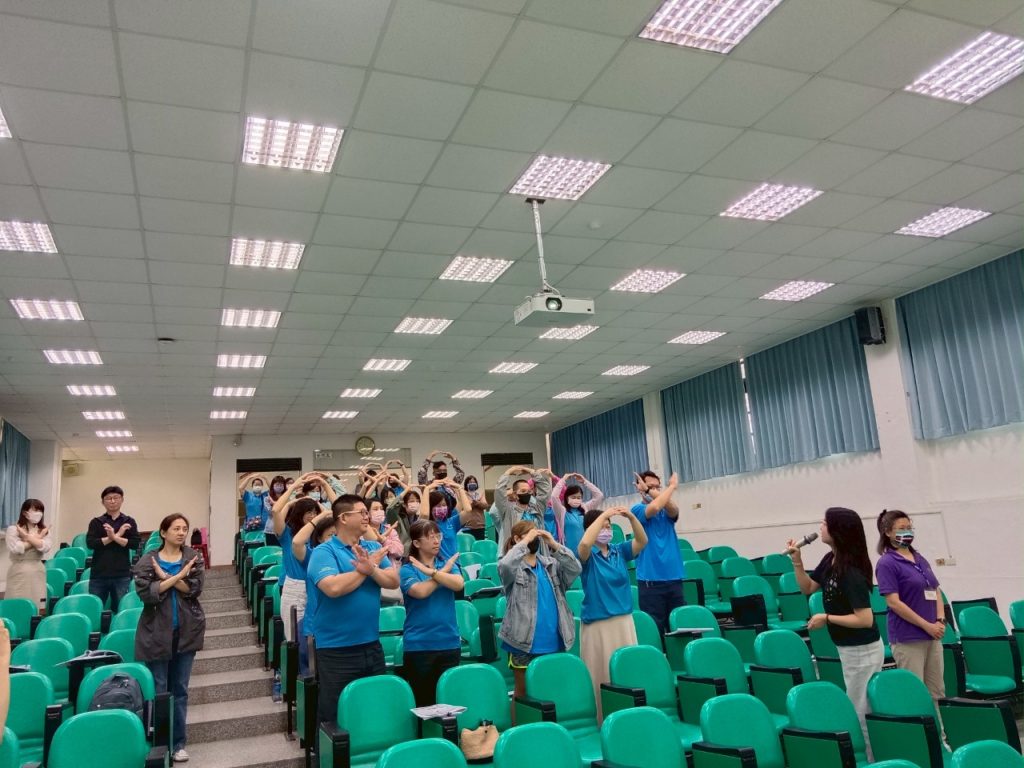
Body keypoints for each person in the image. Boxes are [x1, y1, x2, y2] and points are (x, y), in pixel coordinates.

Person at [790, 507, 882, 746]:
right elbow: (808, 588)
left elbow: (865, 619)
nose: (820, 527)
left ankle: (870, 756)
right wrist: (797, 562)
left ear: (838, 530)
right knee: (857, 705)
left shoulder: (850, 571)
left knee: (861, 710)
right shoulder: (830, 560)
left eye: (825, 523)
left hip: (862, 649)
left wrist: (827, 618)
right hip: (847, 646)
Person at [305, 494, 399, 725]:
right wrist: (366, 569)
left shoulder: (372, 547)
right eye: (362, 513)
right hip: (336, 649)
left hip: (371, 645)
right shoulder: (324, 552)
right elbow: (333, 588)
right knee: (335, 717)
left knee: (374, 709)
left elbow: (393, 581)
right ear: (344, 518)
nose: (368, 516)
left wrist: (371, 568)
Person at [133, 513, 205, 764]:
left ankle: (178, 744)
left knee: (180, 690)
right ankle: (160, 743)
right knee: (159, 689)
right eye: (176, 528)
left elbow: (194, 589)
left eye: (184, 528)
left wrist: (164, 579)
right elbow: (146, 593)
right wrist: (177, 577)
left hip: (186, 632)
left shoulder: (193, 557)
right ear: (163, 532)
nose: (181, 532)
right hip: (156, 633)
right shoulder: (148, 560)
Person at [497, 521, 581, 699]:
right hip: (523, 642)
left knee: (551, 692)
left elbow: (575, 568)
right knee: (523, 693)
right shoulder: (514, 569)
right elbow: (505, 565)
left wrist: (554, 545)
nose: (534, 538)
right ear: (517, 539)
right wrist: (524, 543)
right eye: (530, 534)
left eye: (536, 534)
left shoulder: (551, 565)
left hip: (554, 639)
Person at [577, 506, 647, 717]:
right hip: (598, 624)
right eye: (602, 526)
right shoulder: (587, 555)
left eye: (609, 526)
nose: (606, 530)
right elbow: (584, 544)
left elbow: (642, 540)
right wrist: (604, 515)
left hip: (623, 621)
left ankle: (630, 718)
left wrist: (632, 517)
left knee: (627, 671)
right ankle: (603, 719)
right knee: (601, 674)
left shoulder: (619, 550)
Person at [875, 509, 946, 703]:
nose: (907, 532)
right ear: (888, 532)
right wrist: (926, 625)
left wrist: (940, 620)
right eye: (901, 528)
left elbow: (936, 590)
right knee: (916, 693)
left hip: (933, 634)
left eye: (909, 527)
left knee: (937, 691)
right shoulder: (887, 563)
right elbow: (893, 602)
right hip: (908, 637)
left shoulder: (920, 559)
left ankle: (939, 724)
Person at [400, 520, 464, 705]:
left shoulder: (446, 563)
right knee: (424, 705)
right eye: (430, 537)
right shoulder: (407, 569)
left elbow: (458, 584)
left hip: (449, 642)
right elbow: (420, 592)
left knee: (449, 705)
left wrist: (433, 573)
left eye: (438, 536)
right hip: (419, 646)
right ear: (416, 543)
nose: (436, 541)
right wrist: (441, 573)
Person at [630, 471, 682, 636]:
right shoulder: (636, 509)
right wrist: (672, 487)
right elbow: (655, 507)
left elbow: (673, 509)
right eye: (650, 487)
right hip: (650, 582)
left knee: (680, 630)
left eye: (658, 487)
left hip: (674, 579)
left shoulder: (667, 511)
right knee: (656, 631)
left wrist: (651, 490)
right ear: (639, 488)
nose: (655, 491)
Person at [86, 485, 141, 612]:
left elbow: (134, 544)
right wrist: (116, 536)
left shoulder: (129, 521)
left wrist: (114, 537)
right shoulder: (96, 522)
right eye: (108, 498)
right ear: (102, 502)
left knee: (121, 610)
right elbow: (91, 543)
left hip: (121, 574)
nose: (112, 501)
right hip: (98, 574)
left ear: (122, 500)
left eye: (116, 497)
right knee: (95, 610)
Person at [5, 499, 52, 612]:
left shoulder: (44, 530)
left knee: (38, 606)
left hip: (37, 570)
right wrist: (38, 538)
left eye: (40, 511)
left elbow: (45, 547)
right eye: (35, 510)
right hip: (19, 570)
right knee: (16, 606)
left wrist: (26, 537)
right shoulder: (13, 529)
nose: (39, 513)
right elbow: (17, 548)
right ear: (25, 513)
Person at [493, 466, 553, 552]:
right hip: (516, 556)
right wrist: (508, 472)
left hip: (538, 554)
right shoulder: (508, 511)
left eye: (529, 491)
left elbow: (545, 490)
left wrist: (532, 472)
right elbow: (499, 492)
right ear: (515, 494)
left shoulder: (537, 509)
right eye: (523, 491)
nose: (527, 494)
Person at [551, 473, 605, 553]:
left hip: (587, 552)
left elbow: (599, 496)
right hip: (570, 553)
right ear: (567, 498)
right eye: (573, 497)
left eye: (579, 497)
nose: (576, 499)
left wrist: (584, 482)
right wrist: (563, 480)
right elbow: (554, 497)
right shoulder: (561, 511)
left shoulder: (586, 508)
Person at [425, 479, 472, 561]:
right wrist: (427, 489)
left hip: (454, 564)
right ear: (430, 507)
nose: (442, 508)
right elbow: (424, 514)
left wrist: (459, 488)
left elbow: (468, 510)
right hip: (436, 565)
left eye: (444, 505)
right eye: (438, 506)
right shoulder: (425, 524)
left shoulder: (452, 522)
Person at [385, 487, 422, 558]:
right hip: (401, 556)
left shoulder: (418, 519)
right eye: (412, 501)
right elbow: (390, 509)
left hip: (416, 554)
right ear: (404, 504)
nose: (415, 503)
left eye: (417, 501)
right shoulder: (396, 518)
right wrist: (406, 490)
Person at [460, 475, 487, 541]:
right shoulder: (463, 495)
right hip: (467, 526)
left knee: (479, 545)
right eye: (470, 482)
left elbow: (485, 505)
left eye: (474, 482)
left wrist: (477, 503)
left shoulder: (480, 494)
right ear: (466, 484)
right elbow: (466, 507)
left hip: (480, 526)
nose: (472, 484)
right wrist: (473, 503)